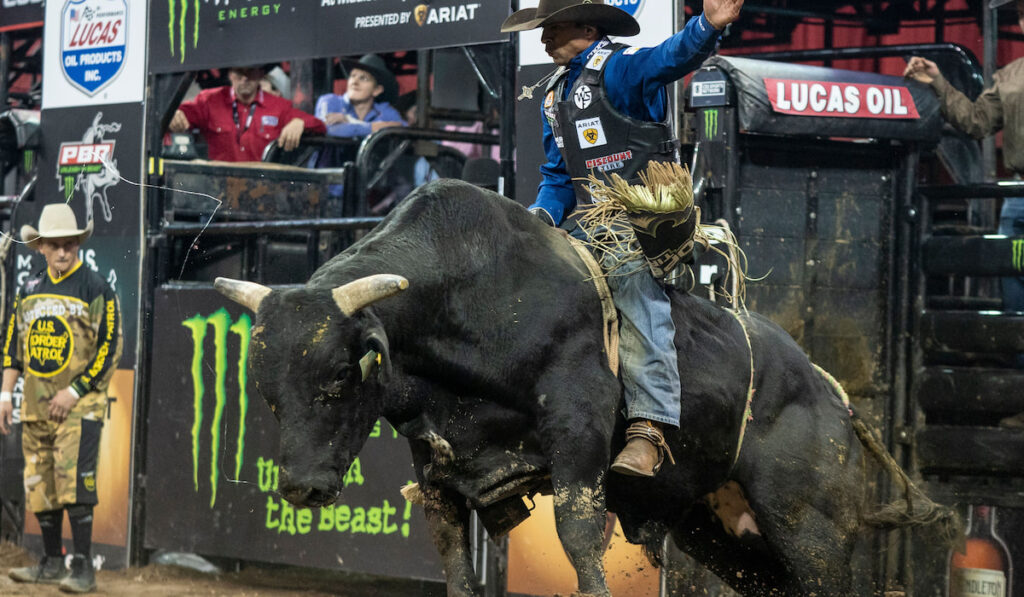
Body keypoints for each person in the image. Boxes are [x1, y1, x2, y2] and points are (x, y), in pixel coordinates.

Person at [501, 0, 744, 477]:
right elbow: (557, 177)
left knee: (629, 279)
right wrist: (538, 222)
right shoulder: (555, 96)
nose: (544, 38)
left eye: (554, 28)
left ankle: (650, 428)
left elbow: (670, 57)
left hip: (646, 221)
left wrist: (707, 27)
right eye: (542, 30)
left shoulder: (620, 69)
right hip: (587, 221)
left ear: (588, 28)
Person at [904, 0, 1024, 428]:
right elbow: (975, 121)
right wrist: (937, 81)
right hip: (1017, 197)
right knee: (1015, 306)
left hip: (1016, 199)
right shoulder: (1011, 77)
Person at [0, 203, 123, 593]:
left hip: (78, 408)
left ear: (77, 245)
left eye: (69, 244)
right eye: (54, 245)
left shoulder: (96, 286)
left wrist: (75, 391)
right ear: (41, 248)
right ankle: (51, 562)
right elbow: (13, 348)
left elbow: (110, 348)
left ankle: (83, 567)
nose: (63, 252)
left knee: (76, 484)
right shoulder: (29, 289)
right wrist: (5, 394)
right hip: (35, 406)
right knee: (41, 484)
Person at [168, 64, 325, 162]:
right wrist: (175, 114)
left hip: (260, 191)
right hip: (218, 190)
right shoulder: (209, 100)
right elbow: (180, 113)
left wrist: (300, 122)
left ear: (260, 73)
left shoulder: (279, 106)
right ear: (230, 74)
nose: (244, 78)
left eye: (250, 71)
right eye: (238, 72)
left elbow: (319, 126)